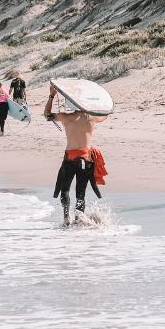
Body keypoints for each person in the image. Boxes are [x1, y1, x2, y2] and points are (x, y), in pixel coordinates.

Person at [45, 83, 107, 226]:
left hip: (70, 159)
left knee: (65, 189)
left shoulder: (67, 118)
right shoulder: (92, 118)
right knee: (81, 193)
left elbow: (47, 114)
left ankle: (67, 219)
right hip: (87, 159)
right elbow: (105, 112)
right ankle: (80, 220)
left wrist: (52, 95)